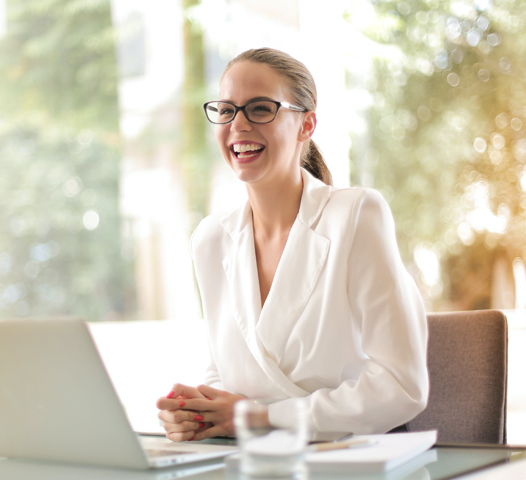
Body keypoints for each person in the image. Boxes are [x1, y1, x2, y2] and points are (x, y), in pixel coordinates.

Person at [156, 48, 429, 442]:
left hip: (350, 458)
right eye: (227, 110)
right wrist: (198, 412)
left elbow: (402, 386)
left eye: (260, 109)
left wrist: (261, 417)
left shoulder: (355, 215)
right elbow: (225, 370)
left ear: (307, 124)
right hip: (258, 461)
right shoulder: (210, 240)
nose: (238, 125)